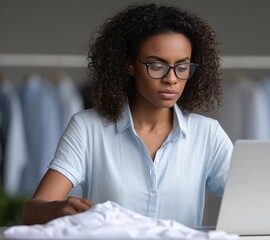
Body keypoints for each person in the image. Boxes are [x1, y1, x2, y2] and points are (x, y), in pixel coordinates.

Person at [22, 3, 233, 228]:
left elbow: (256, 199)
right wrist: (57, 209)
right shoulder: (87, 128)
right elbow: (32, 211)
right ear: (129, 65)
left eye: (182, 67)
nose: (171, 78)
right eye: (157, 65)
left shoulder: (207, 133)